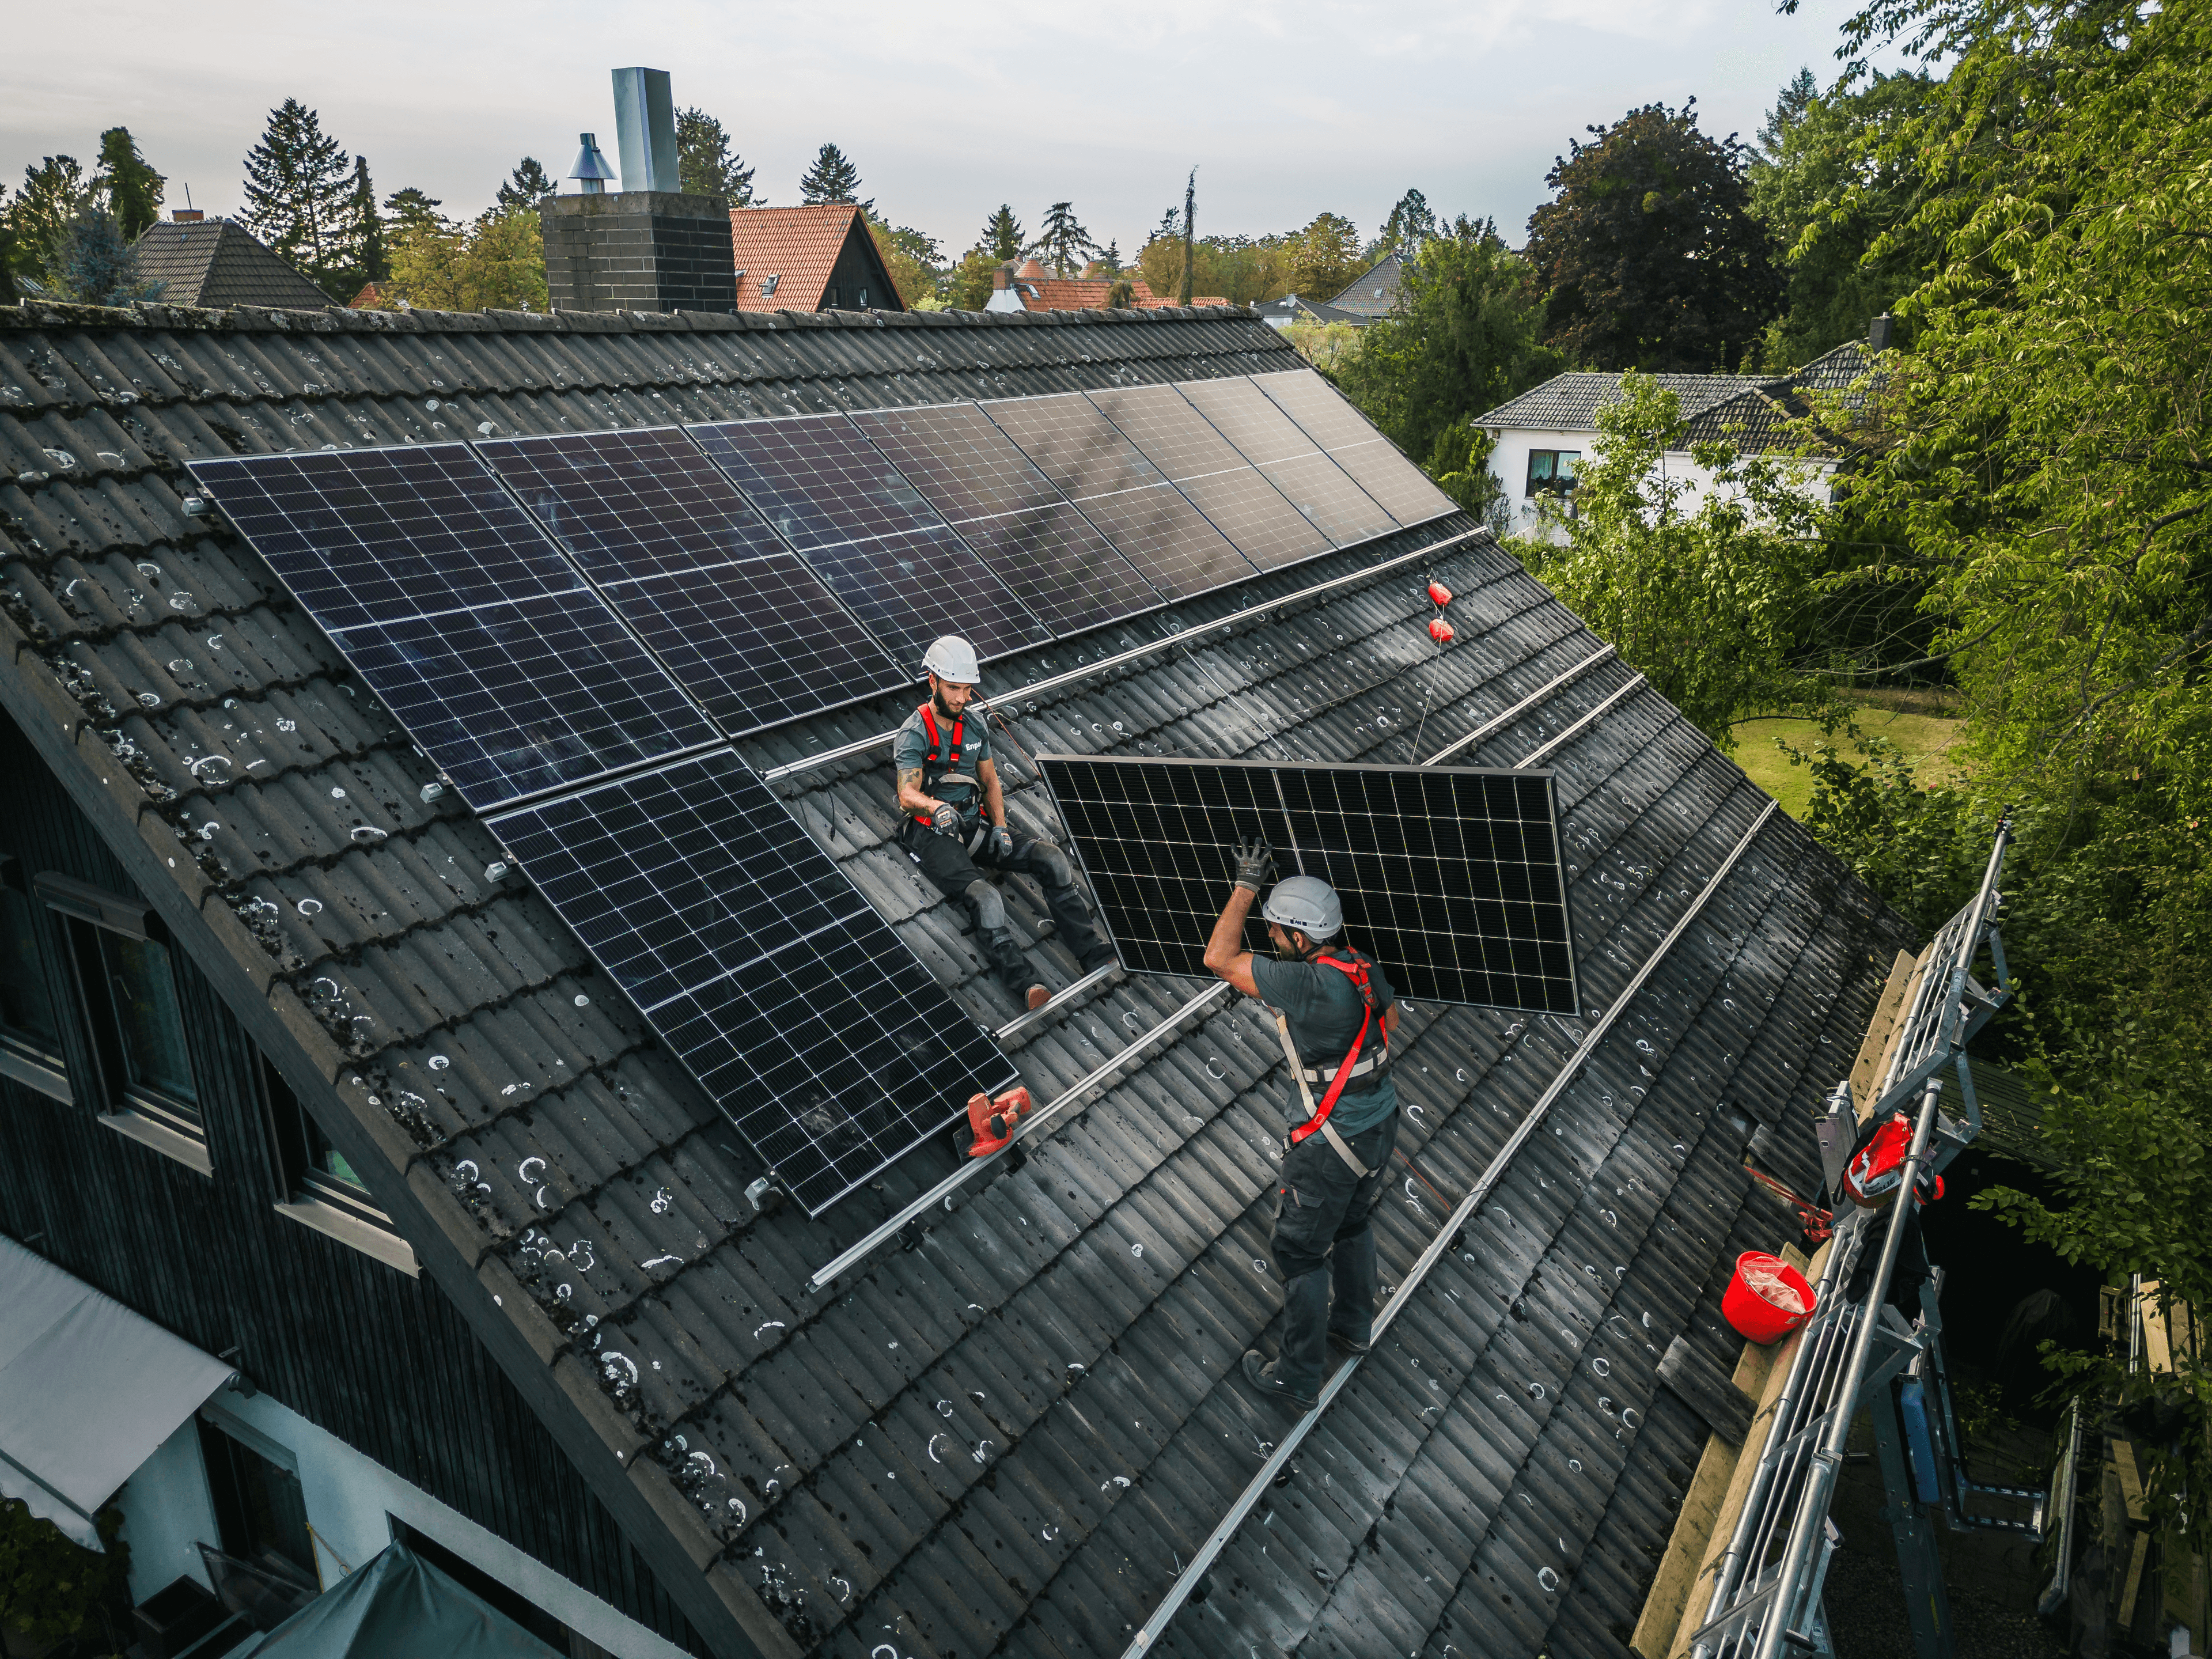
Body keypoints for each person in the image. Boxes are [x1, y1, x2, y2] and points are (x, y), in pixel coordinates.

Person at [1204, 839, 1400, 1407]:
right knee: (1352, 1223)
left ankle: (1296, 1377)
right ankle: (1354, 1325)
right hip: (1380, 1121)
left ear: (1299, 936)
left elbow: (1217, 959)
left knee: (1299, 1253)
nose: (1269, 938)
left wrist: (1245, 885)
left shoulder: (1305, 984)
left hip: (1330, 1143)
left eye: (1276, 931)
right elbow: (1389, 1017)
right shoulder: (1358, 966)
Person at [894, 636, 1119, 1012]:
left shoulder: (975, 726)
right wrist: (934, 808)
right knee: (987, 898)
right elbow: (906, 795)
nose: (962, 698)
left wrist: (998, 825)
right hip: (931, 833)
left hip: (973, 822)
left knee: (1052, 858)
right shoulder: (914, 733)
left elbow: (990, 781)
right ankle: (1026, 983)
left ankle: (1092, 951)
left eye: (967, 689)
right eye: (953, 688)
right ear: (932, 682)